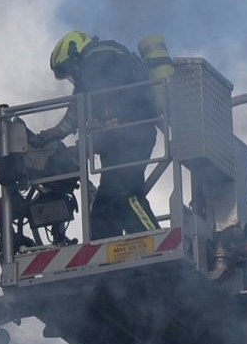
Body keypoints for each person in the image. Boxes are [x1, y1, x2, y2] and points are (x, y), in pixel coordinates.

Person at [31, 31, 173, 238]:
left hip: (132, 136)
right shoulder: (97, 69)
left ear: (75, 53)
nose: (74, 76)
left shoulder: (99, 57)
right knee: (103, 208)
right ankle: (107, 258)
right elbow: (81, 106)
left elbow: (82, 101)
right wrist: (58, 133)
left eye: (72, 70)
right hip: (119, 141)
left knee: (128, 195)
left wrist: (67, 138)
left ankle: (160, 246)